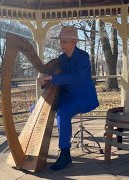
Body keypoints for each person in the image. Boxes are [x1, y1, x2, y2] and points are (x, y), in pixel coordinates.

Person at [37, 26, 99, 170]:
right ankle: (37, 147)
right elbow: (54, 77)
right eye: (61, 41)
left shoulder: (83, 57)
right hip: (65, 96)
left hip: (82, 97)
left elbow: (76, 77)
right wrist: (44, 81)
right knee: (36, 109)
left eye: (64, 41)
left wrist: (52, 77)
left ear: (74, 42)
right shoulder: (61, 59)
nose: (61, 44)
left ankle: (65, 154)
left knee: (63, 113)